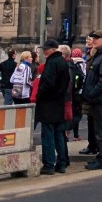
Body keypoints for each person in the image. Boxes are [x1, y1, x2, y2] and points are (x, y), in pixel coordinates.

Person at [80, 30, 102, 170]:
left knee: (100, 130)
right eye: (92, 38)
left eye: (96, 38)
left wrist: (91, 94)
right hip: (96, 98)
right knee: (97, 129)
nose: (93, 40)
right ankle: (101, 157)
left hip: (99, 99)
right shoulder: (98, 55)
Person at [36, 39, 70, 176]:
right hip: (59, 102)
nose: (43, 52)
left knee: (48, 135)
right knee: (59, 135)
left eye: (46, 49)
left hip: (48, 103)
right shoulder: (63, 62)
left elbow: (48, 83)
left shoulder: (52, 62)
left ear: (53, 49)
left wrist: (39, 95)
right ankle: (61, 163)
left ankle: (49, 164)